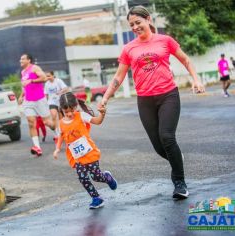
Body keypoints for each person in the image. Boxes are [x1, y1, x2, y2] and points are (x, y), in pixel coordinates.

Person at [100, 5, 205, 200]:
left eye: (138, 22)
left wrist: (196, 79)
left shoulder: (165, 40)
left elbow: (186, 60)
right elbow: (119, 77)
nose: (135, 27)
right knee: (158, 147)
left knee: (167, 137)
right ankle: (177, 160)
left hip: (168, 95)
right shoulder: (129, 48)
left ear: (148, 19)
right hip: (145, 100)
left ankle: (179, 183)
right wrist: (105, 98)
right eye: (131, 25)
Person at [53, 92, 117, 209]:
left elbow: (97, 121)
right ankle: (96, 198)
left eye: (72, 110)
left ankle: (107, 178)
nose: (70, 113)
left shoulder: (81, 116)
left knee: (96, 176)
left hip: (89, 153)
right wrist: (57, 149)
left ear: (76, 106)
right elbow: (61, 136)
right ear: (61, 109)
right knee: (83, 178)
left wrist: (102, 114)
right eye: (66, 112)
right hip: (76, 157)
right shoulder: (61, 123)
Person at [18, 54, 56, 156]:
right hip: (28, 101)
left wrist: (31, 80)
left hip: (39, 99)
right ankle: (37, 147)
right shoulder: (23, 72)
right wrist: (21, 96)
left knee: (48, 122)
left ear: (29, 60)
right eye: (20, 59)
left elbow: (44, 78)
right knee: (31, 123)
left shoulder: (34, 68)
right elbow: (24, 86)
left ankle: (58, 133)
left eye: (22, 59)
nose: (20, 60)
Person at [44, 71, 69, 142]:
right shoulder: (46, 84)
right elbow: (46, 94)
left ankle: (63, 132)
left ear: (53, 76)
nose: (47, 78)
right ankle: (57, 133)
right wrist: (46, 103)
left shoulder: (58, 81)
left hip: (60, 101)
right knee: (54, 115)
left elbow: (66, 88)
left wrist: (60, 92)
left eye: (49, 76)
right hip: (51, 102)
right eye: (46, 76)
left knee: (61, 118)